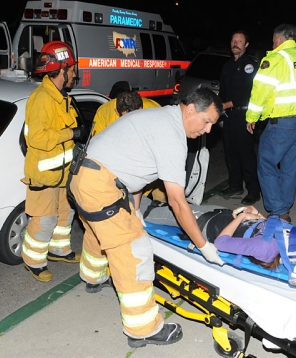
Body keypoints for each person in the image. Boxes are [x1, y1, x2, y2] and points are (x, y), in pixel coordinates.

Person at [68, 88, 224, 348]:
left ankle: (92, 277)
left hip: (83, 177)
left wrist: (135, 211)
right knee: (135, 250)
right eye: (207, 121)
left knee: (99, 231)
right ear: (191, 109)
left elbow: (137, 171)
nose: (208, 130)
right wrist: (203, 245)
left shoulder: (158, 117)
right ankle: (143, 329)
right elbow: (176, 201)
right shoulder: (172, 136)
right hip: (100, 185)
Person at [20, 41, 85, 283]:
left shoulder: (60, 97)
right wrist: (71, 134)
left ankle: (59, 250)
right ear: (62, 70)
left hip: (62, 173)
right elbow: (36, 138)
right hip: (44, 175)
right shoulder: (42, 99)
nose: (75, 74)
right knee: (44, 220)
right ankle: (33, 261)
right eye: (72, 70)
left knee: (65, 214)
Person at [140, 197, 296, 271]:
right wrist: (256, 214)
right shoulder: (293, 236)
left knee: (149, 212)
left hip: (206, 224)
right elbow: (268, 226)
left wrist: (242, 217)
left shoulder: (266, 249)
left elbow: (221, 243)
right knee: (172, 204)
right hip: (221, 214)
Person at [245, 24, 296, 223]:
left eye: (274, 39)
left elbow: (260, 92)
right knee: (289, 167)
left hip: (282, 124)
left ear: (280, 39)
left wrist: (252, 117)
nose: (273, 43)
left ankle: (278, 210)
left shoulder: (275, 59)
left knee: (266, 163)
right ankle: (284, 205)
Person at [217, 30, 261, 205]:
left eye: (240, 41)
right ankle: (235, 185)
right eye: (233, 40)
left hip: (244, 115)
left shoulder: (250, 65)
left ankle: (253, 190)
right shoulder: (227, 65)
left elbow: (250, 92)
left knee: (246, 154)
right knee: (230, 152)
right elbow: (223, 90)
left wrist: (228, 104)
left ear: (246, 45)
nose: (235, 43)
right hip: (228, 116)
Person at [92, 81, 160, 136]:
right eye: (127, 118)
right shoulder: (103, 113)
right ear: (117, 112)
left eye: (137, 116)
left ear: (142, 108)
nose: (133, 123)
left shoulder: (154, 109)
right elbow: (99, 143)